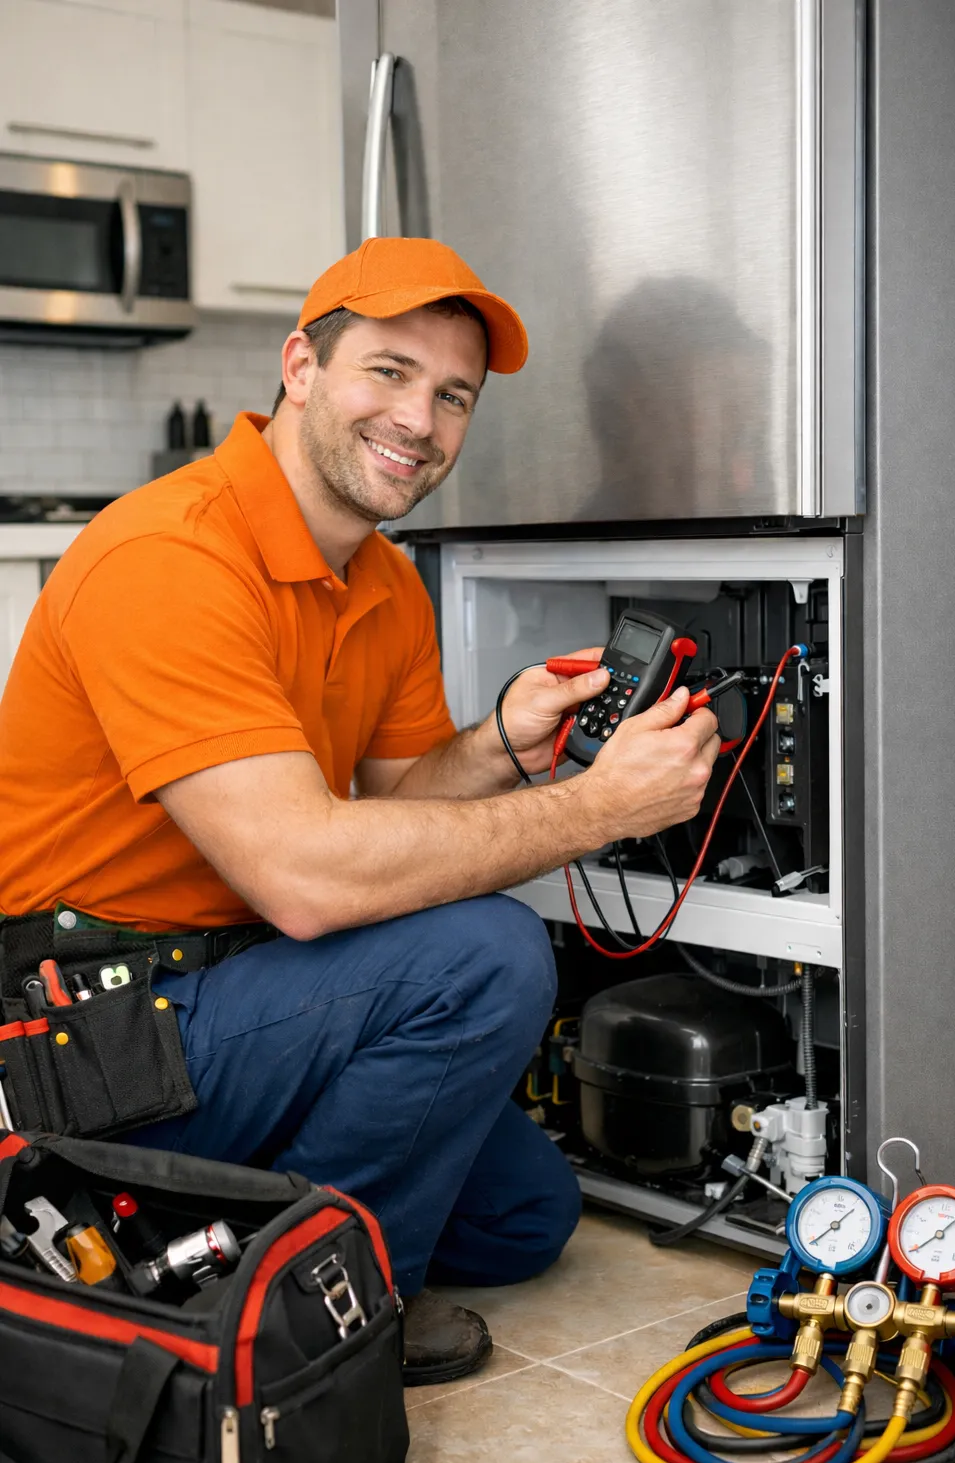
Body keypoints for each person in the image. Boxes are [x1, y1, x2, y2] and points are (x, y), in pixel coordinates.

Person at [0, 238, 720, 1383]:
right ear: (300, 367)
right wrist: (597, 808)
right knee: (485, 952)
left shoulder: (379, 581)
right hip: (90, 1037)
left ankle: (180, 1236)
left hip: (234, 989)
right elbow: (307, 878)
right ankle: (313, 1313)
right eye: (388, 372)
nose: (419, 421)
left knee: (524, 1217)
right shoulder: (169, 556)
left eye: (453, 396)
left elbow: (389, 807)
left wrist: (500, 745)